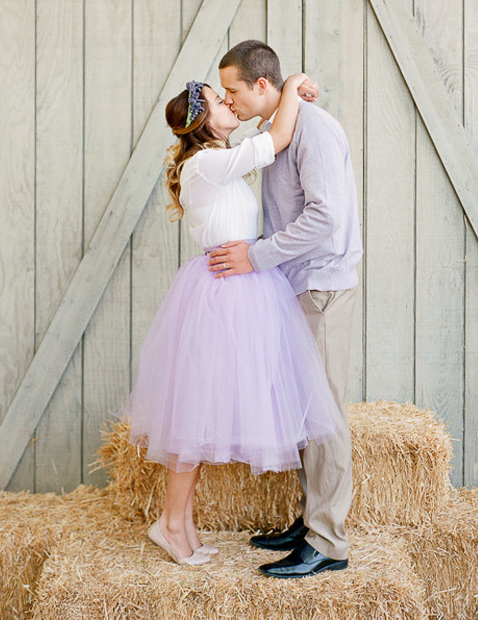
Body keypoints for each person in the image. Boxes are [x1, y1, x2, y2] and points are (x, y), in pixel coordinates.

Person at [122, 76, 341, 567]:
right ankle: (171, 523)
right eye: (223, 102)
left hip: (241, 289)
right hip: (221, 296)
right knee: (194, 414)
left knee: (203, 413)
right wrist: (293, 88)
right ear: (205, 121)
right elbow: (277, 138)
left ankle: (182, 523)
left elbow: (266, 140)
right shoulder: (208, 163)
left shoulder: (216, 160)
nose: (232, 104)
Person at [208, 39, 363, 579]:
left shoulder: (314, 130)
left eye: (232, 90)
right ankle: (310, 520)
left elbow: (326, 218)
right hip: (295, 285)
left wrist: (256, 257)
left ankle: (329, 543)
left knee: (325, 416)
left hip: (320, 285)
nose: (229, 100)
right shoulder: (279, 126)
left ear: (260, 86)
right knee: (304, 410)